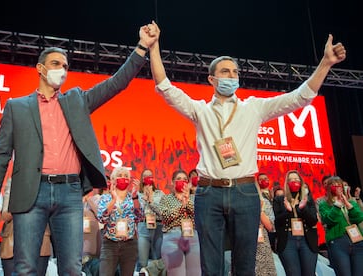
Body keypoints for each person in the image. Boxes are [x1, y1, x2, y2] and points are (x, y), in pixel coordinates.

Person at [147, 19, 346, 275]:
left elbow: (300, 97)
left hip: (245, 192)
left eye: (235, 72)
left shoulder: (253, 107)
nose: (232, 76)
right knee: (211, 266)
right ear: (211, 79)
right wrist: (154, 47)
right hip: (209, 193)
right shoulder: (200, 111)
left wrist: (326, 63)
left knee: (245, 266)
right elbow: (164, 87)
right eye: (226, 72)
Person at [0, 23, 159, 275]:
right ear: (40, 69)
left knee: (72, 268)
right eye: (56, 64)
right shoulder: (17, 107)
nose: (62, 70)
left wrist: (142, 47)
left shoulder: (76, 100)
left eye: (65, 66)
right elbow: (0, 155)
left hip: (70, 192)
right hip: (32, 191)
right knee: (25, 267)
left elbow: (116, 83)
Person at [0, 178, 52, 276]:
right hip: (12, 242)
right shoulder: (13, 181)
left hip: (40, 242)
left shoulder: (46, 180)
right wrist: (23, 201)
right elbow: (5, 215)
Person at [97, 166, 142, 276]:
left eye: (126, 176)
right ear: (113, 180)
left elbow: (140, 217)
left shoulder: (134, 197)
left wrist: (135, 197)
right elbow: (102, 219)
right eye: (120, 176)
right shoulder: (105, 198)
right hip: (110, 245)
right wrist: (113, 200)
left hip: (129, 245)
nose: (123, 178)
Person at [273, 170, 318, 276]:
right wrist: (288, 211)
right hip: (288, 240)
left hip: (307, 240)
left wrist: (302, 209)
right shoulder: (279, 199)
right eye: (291, 180)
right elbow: (277, 222)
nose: (294, 182)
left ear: (301, 182)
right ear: (286, 183)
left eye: (296, 179)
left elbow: (313, 221)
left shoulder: (308, 199)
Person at [158, 169, 201, 276]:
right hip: (172, 238)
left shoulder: (194, 197)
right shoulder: (166, 198)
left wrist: (188, 202)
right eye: (178, 179)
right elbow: (165, 216)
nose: (182, 181)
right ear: (172, 182)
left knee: (195, 273)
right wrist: (182, 206)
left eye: (185, 179)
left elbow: (199, 215)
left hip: (193, 237)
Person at [318, 176, 363, 275]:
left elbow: (359, 218)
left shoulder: (350, 201)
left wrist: (348, 205)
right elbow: (328, 220)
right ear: (328, 188)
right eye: (333, 185)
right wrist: (337, 205)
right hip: (338, 242)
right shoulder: (324, 204)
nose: (337, 187)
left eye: (339, 184)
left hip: (357, 241)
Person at [136, 168, 165, 273]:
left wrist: (151, 200)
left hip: (158, 227)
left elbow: (162, 212)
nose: (148, 178)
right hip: (144, 227)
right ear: (142, 179)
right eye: (145, 176)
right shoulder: (138, 194)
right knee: (142, 261)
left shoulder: (160, 193)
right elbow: (141, 210)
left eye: (150, 175)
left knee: (158, 259)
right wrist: (145, 197)